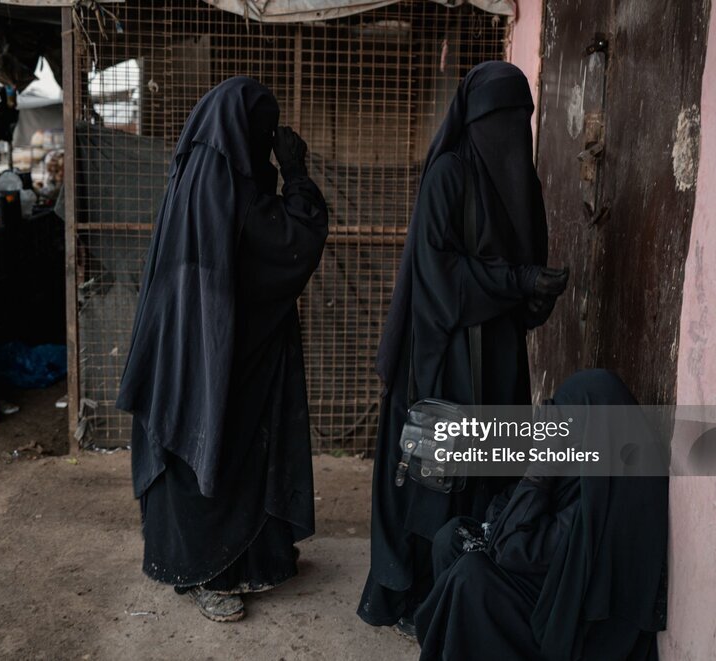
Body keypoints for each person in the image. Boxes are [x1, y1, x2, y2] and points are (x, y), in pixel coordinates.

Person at [358, 61, 569, 636]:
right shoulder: (449, 174)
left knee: (490, 479)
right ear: (474, 120)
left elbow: (525, 277)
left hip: (498, 360)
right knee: (437, 482)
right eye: (498, 120)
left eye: (519, 120)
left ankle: (473, 592)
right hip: (444, 355)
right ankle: (421, 599)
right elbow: (437, 272)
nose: (510, 134)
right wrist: (515, 282)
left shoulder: (520, 182)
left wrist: (538, 291)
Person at [116, 77, 328, 623]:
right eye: (264, 131)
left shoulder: (193, 171)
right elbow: (292, 239)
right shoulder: (225, 182)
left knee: (220, 439)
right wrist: (297, 175)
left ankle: (245, 557)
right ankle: (206, 573)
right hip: (216, 344)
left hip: (191, 338)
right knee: (215, 440)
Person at [416, 369, 669, 660]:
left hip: (575, 629)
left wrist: (540, 470)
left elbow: (513, 548)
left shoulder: (612, 497)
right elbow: (503, 505)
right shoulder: (590, 464)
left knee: (471, 577)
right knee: (454, 537)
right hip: (552, 581)